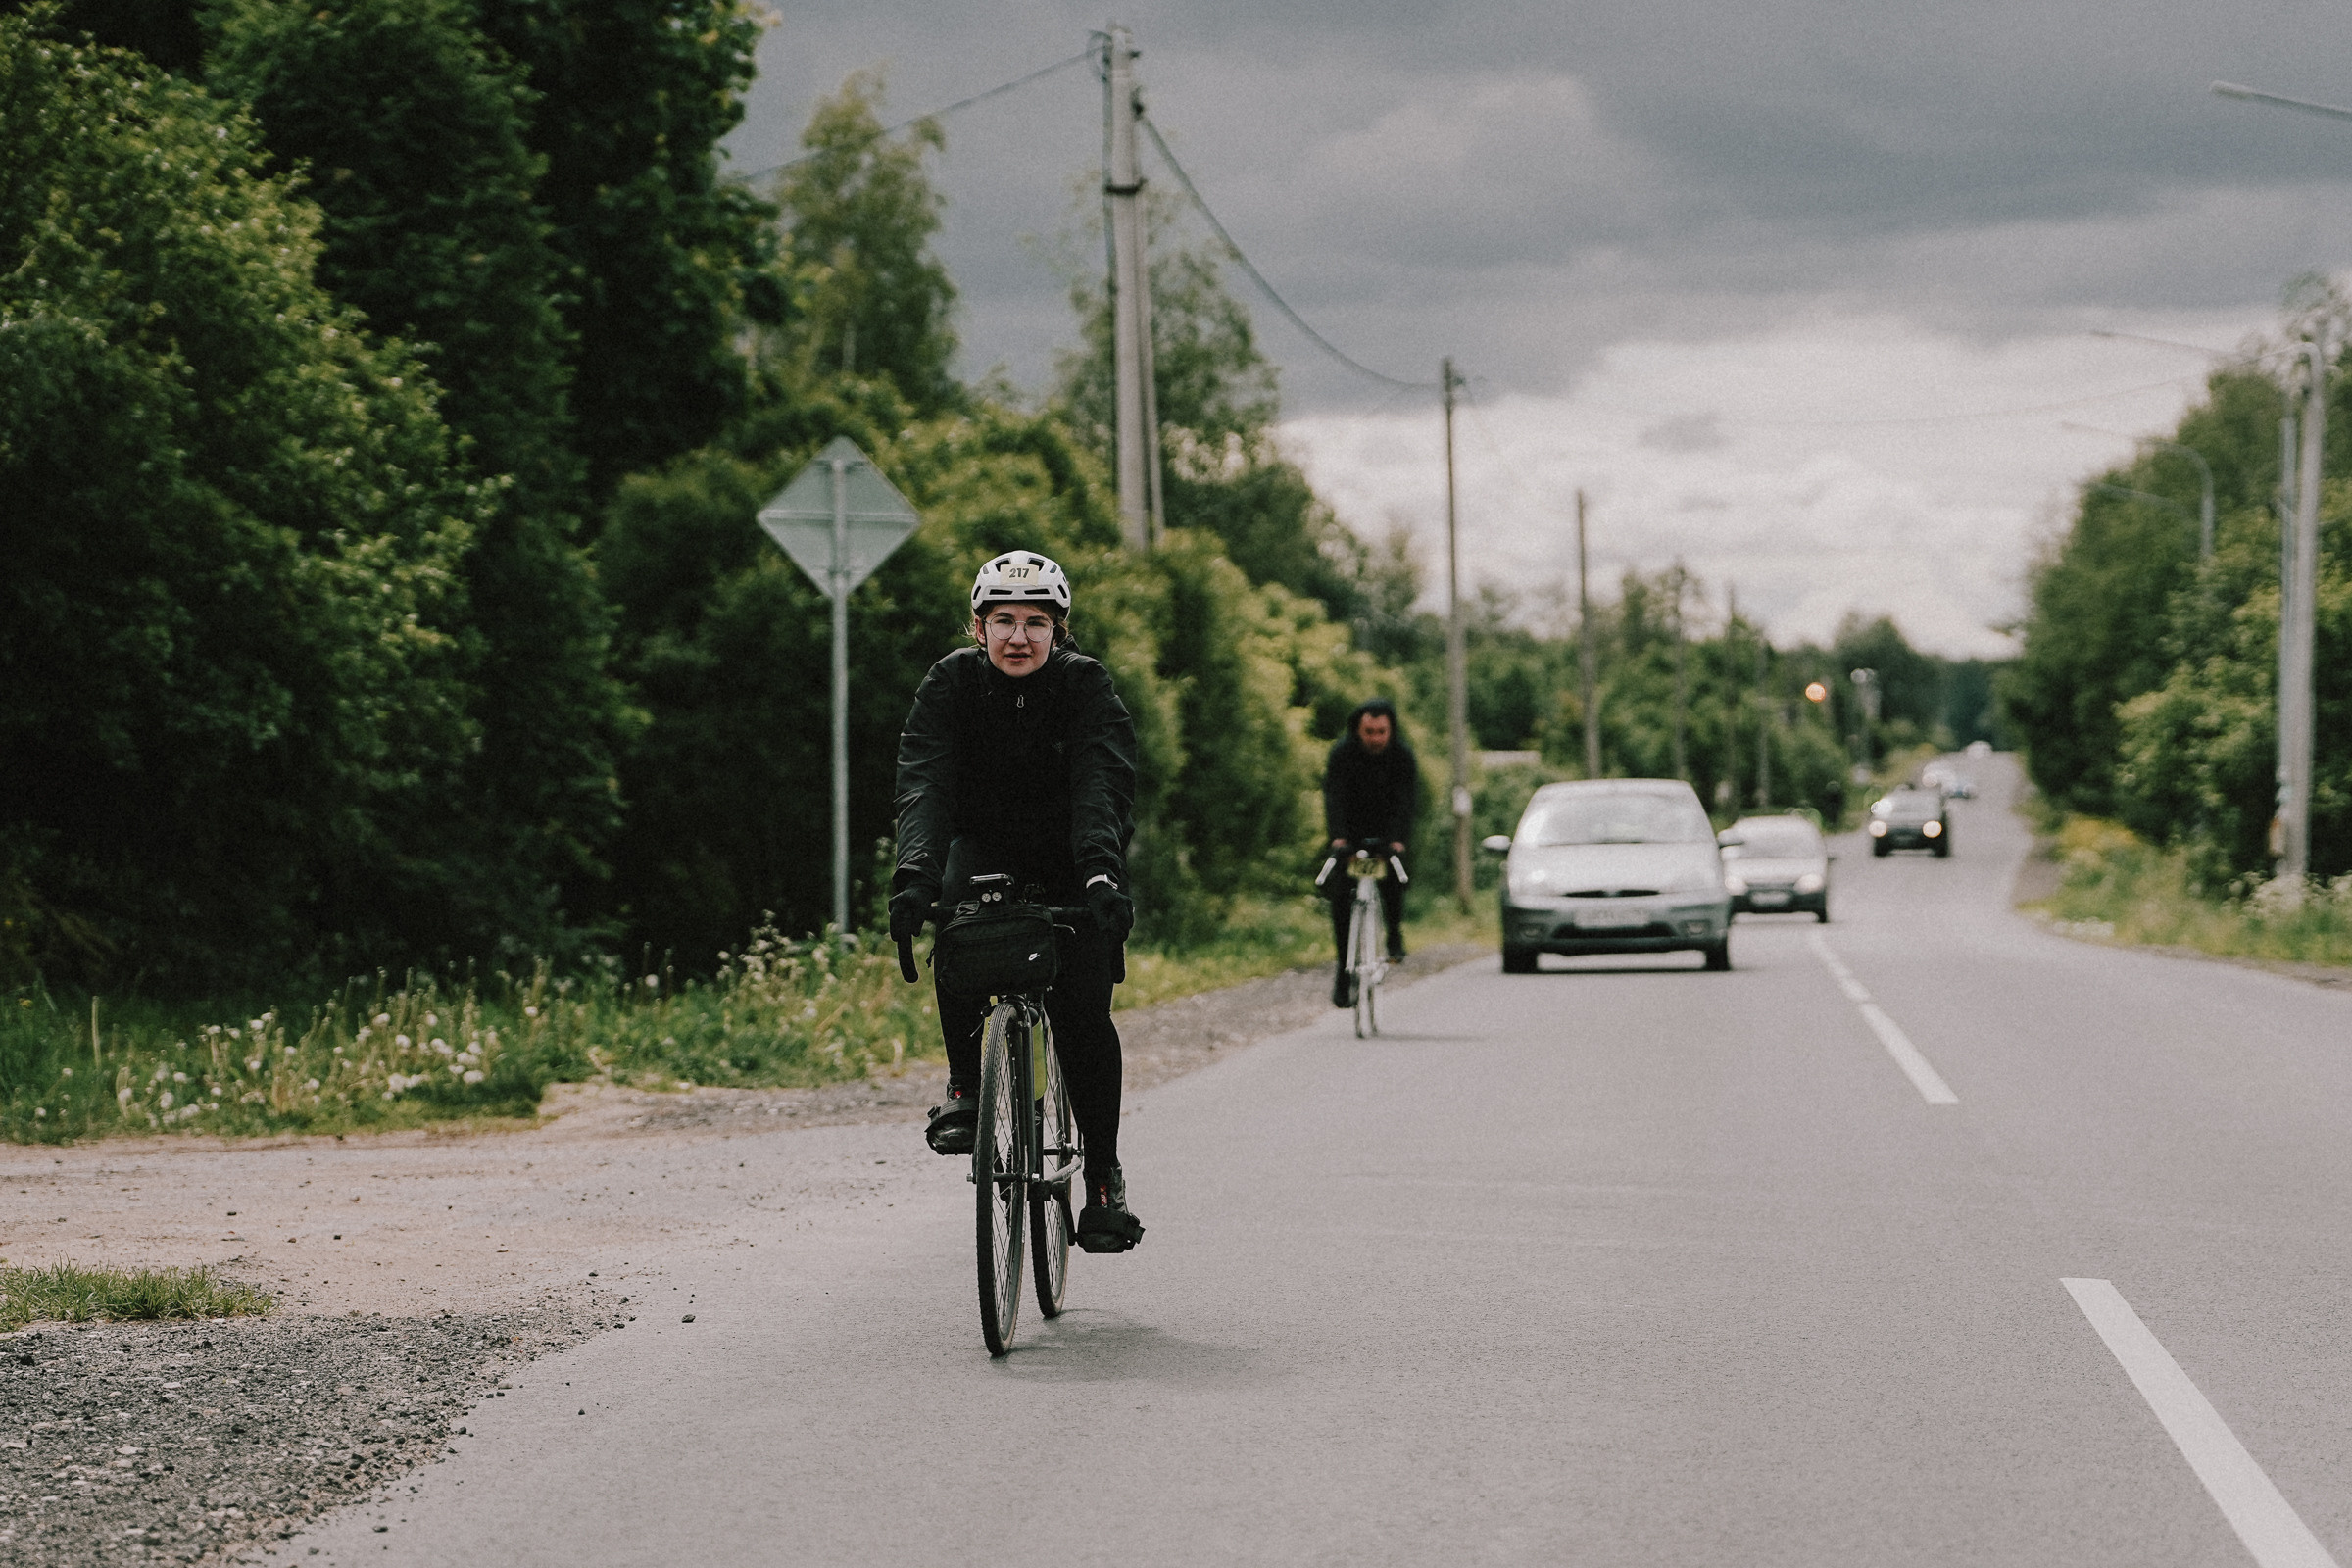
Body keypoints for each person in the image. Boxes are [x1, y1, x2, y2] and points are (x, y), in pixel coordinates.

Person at [889, 551, 1146, 1253]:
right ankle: (968, 1085)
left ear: (1060, 630)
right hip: (984, 848)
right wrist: (914, 876)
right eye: (1003, 619)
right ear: (978, 626)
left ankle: (1101, 1177)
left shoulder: (1085, 685)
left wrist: (1099, 876)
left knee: (1083, 1010)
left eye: (1037, 621)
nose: (1019, 636)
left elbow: (1103, 782)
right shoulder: (950, 683)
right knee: (956, 927)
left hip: (1073, 855)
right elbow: (926, 782)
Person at [1320, 698, 1416, 1007]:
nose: (1375, 738)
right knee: (1341, 897)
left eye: (1381, 732)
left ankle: (1394, 933)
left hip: (1388, 833)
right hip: (1350, 833)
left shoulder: (1402, 756)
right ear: (1358, 730)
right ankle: (1343, 971)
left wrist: (1398, 840)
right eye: (1369, 732)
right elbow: (1333, 797)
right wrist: (1338, 838)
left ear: (1391, 730)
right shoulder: (1342, 754)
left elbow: (1406, 801)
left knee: (1395, 880)